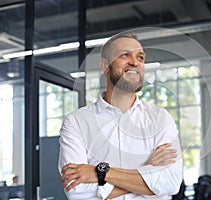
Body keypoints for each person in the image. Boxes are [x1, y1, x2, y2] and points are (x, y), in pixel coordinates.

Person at [58, 31, 183, 200]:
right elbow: (76, 191)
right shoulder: (77, 122)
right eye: (125, 55)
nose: (134, 62)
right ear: (105, 66)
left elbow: (171, 182)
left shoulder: (160, 118)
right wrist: (148, 170)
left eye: (140, 57)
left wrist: (101, 173)